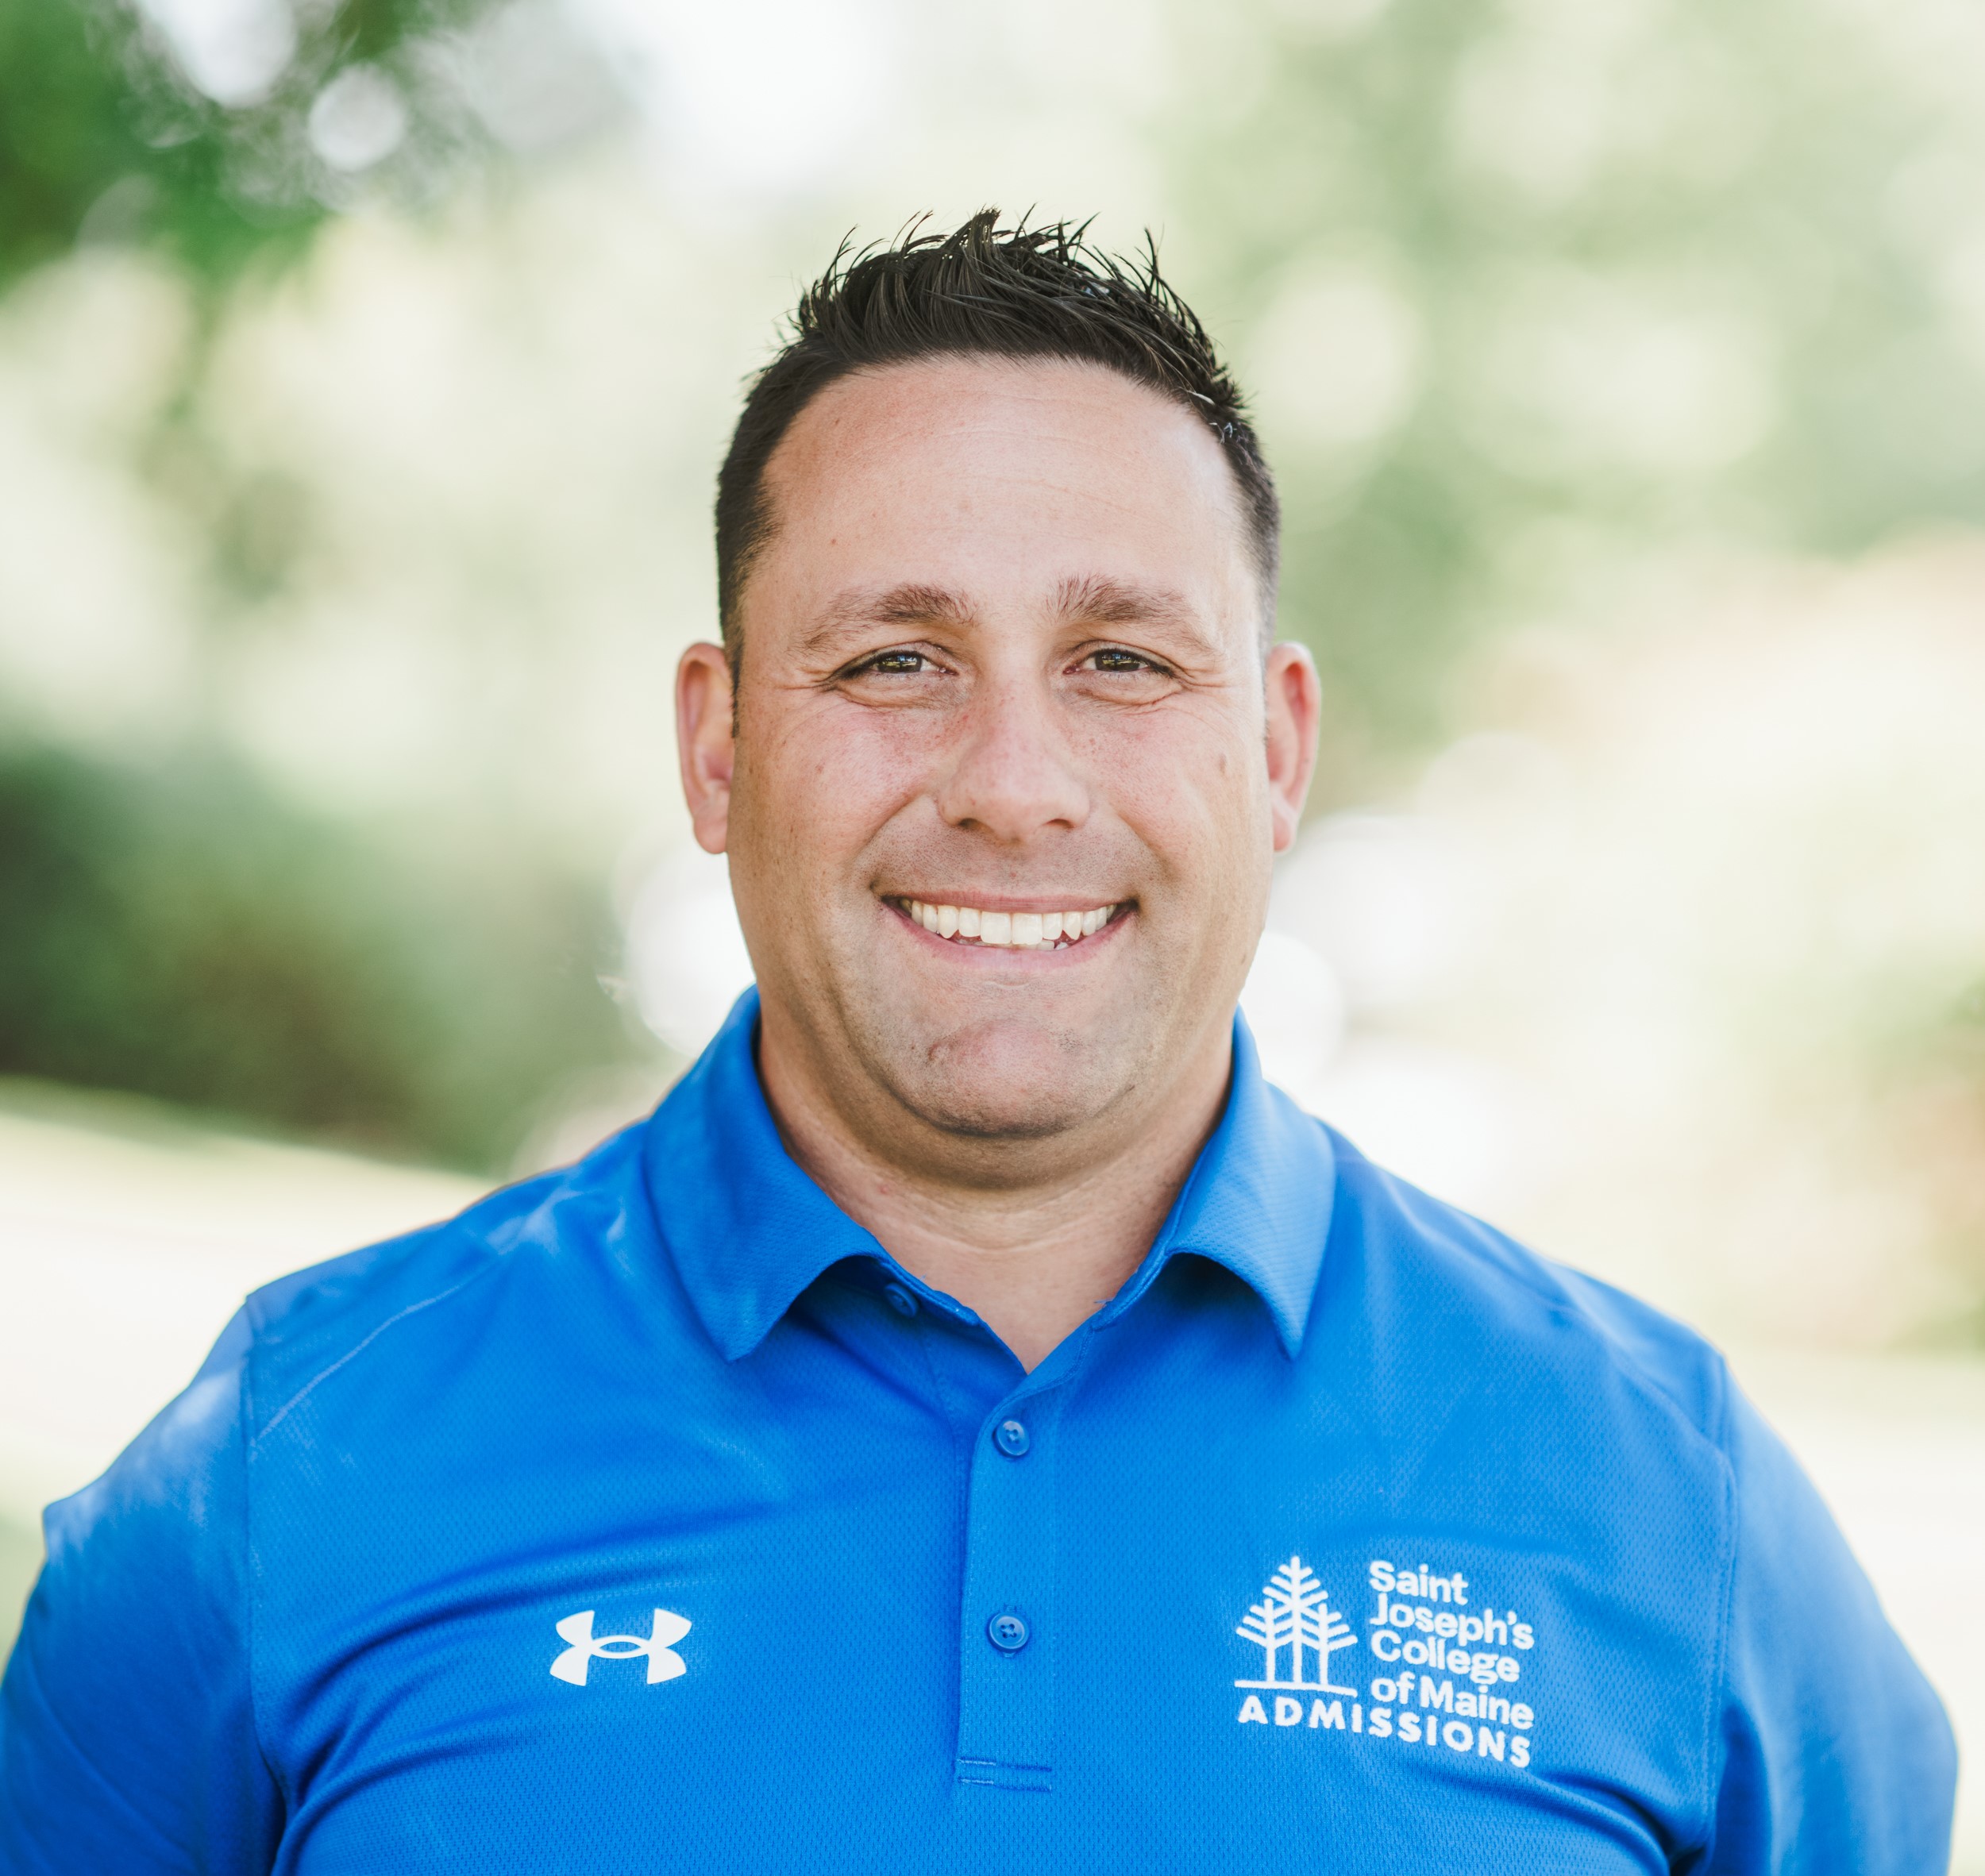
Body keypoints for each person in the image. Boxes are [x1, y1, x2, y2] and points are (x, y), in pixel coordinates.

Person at [0, 214, 1955, 1874]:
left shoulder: (1664, 1498)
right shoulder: (286, 1464)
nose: (1014, 786)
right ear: (717, 742)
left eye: (1120, 660)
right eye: (892, 661)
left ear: (1271, 750)